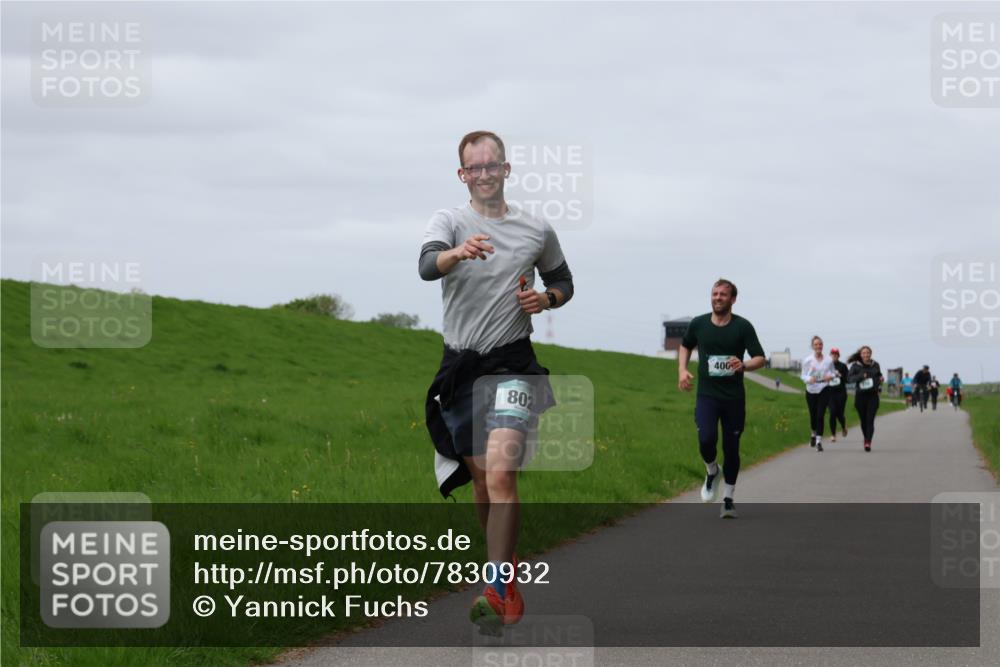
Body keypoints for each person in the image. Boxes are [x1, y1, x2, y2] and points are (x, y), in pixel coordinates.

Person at [420, 130, 575, 634]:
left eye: (493, 165)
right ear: (462, 175)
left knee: (502, 473)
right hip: (461, 368)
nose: (485, 174)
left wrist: (545, 300)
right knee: (484, 485)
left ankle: (494, 583)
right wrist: (456, 253)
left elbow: (564, 281)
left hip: (513, 365)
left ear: (507, 169)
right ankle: (503, 579)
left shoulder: (535, 228)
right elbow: (426, 266)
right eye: (474, 167)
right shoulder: (448, 222)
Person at [678, 279, 766, 519]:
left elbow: (760, 357)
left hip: (734, 398)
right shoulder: (699, 324)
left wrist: (744, 365)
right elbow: (685, 346)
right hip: (707, 395)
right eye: (714, 293)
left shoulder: (743, 327)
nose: (717, 297)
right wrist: (682, 370)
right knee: (706, 439)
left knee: (731, 448)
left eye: (723, 294)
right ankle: (711, 470)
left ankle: (728, 499)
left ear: (733, 299)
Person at [800, 336, 836, 451]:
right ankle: (813, 434)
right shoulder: (807, 360)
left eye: (820, 344)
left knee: (820, 415)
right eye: (816, 344)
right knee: (813, 415)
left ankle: (819, 441)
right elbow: (803, 375)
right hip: (811, 389)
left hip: (824, 388)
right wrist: (809, 379)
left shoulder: (828, 360)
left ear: (822, 346)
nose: (818, 346)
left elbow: (833, 372)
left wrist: (830, 376)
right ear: (812, 346)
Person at [847, 346, 882, 451]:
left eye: (868, 353)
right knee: (863, 421)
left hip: (873, 396)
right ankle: (866, 437)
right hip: (860, 397)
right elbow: (849, 379)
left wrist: (880, 379)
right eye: (864, 353)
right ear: (860, 355)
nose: (866, 355)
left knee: (870, 420)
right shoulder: (856, 366)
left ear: (870, 354)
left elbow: (879, 376)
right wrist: (861, 376)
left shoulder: (875, 365)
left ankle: (868, 442)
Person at [827, 347, 849, 441]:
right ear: (830, 355)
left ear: (838, 356)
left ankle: (844, 427)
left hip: (841, 393)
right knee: (832, 413)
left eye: (836, 354)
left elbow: (848, 380)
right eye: (832, 354)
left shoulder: (843, 366)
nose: (834, 356)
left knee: (839, 414)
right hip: (829, 393)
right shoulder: (826, 366)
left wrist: (841, 375)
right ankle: (833, 434)